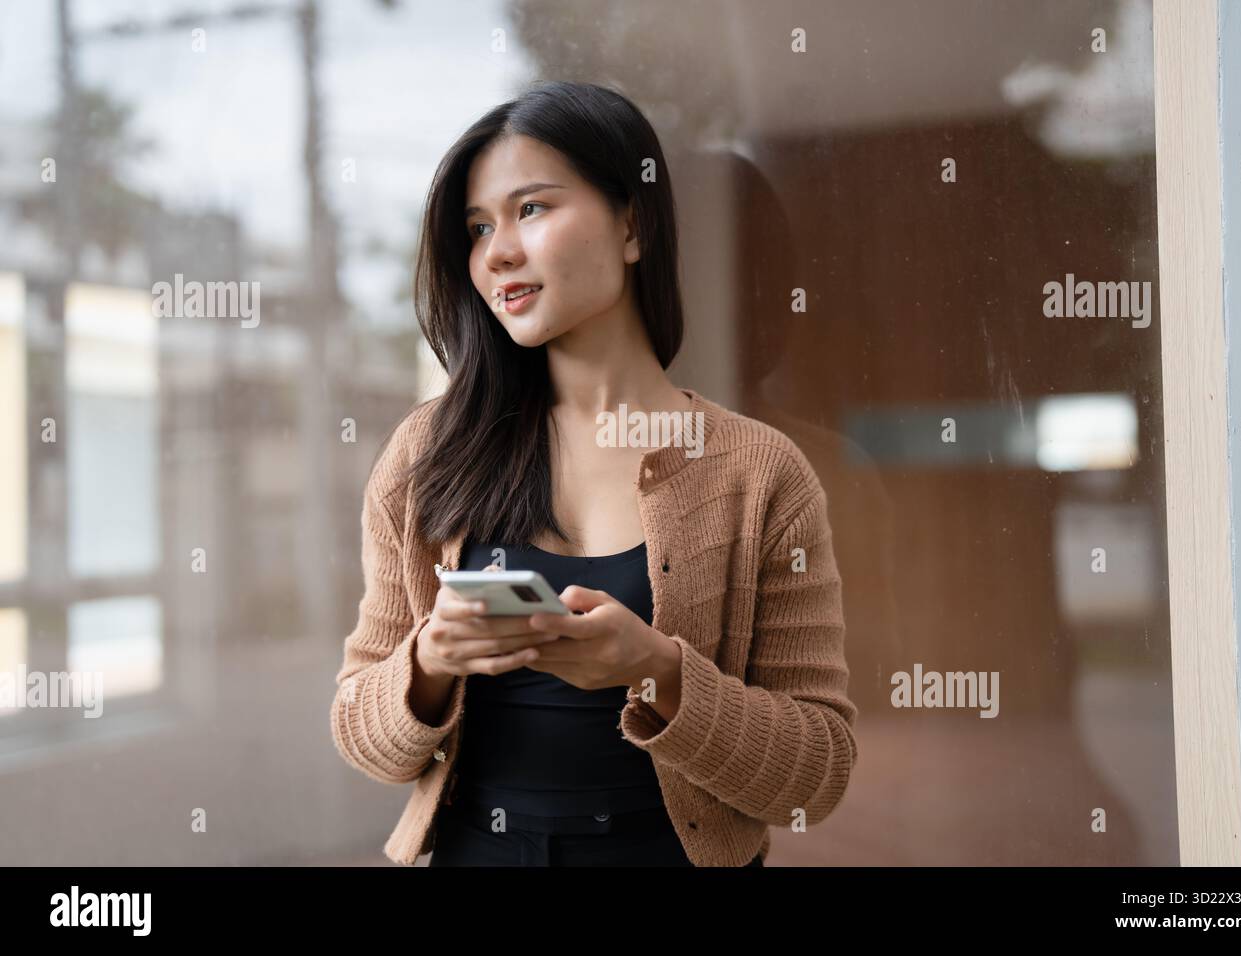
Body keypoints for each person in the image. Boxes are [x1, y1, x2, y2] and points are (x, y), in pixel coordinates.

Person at [329, 80, 858, 867]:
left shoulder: (760, 474)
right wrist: (431, 662)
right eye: (477, 228)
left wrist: (656, 671)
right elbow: (362, 737)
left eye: (531, 209)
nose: (497, 251)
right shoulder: (426, 457)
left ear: (632, 225)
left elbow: (815, 779)